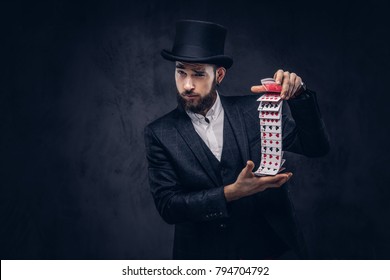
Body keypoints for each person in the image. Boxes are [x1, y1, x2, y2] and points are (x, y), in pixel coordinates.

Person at [144, 19, 329, 260]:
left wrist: (299, 96)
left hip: (269, 253)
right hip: (202, 258)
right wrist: (232, 192)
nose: (187, 85)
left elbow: (315, 148)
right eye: (181, 72)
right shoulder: (159, 133)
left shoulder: (254, 111)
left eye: (199, 74)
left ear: (218, 75)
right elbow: (169, 207)